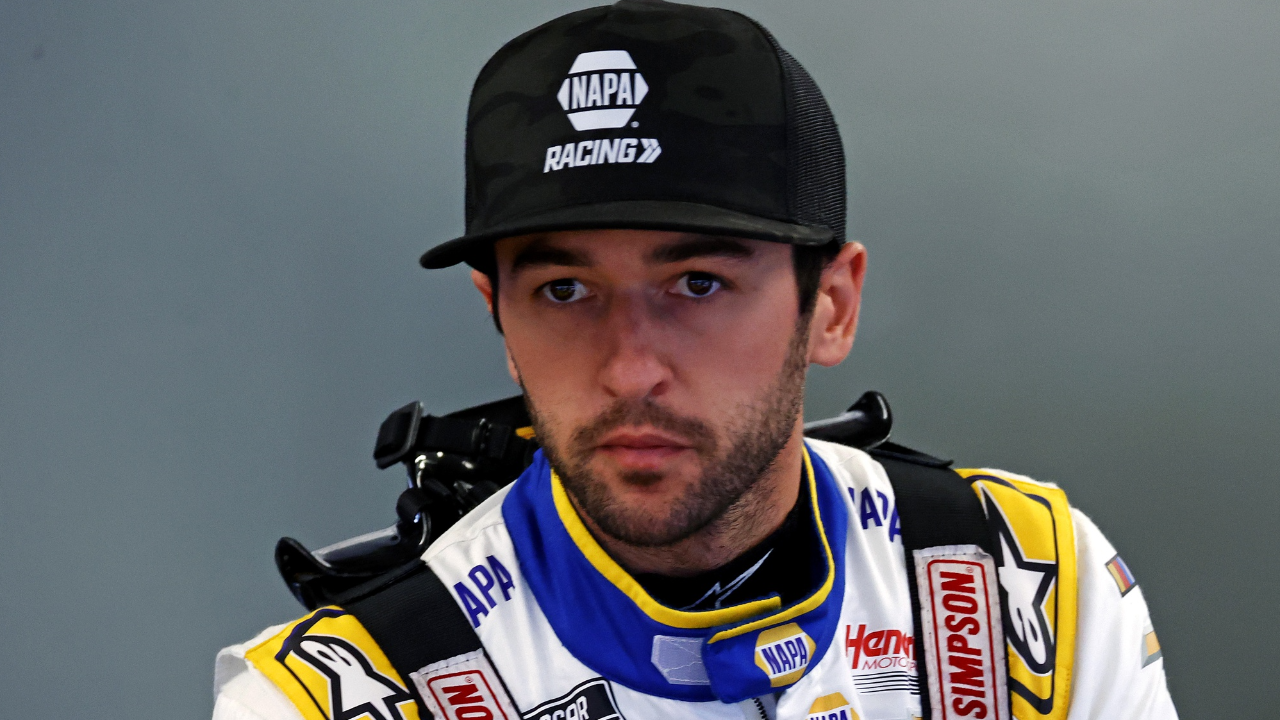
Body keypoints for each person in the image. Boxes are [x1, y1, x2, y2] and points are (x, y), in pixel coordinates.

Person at [211, 2, 1177, 719]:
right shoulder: (328, 701)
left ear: (830, 306)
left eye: (699, 284)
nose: (631, 368)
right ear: (499, 319)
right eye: (564, 291)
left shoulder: (1025, 581)